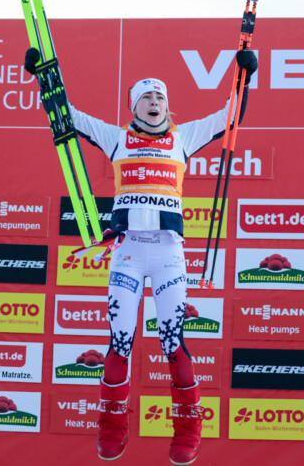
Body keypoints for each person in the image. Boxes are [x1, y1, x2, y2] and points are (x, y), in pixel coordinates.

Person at [25, 48, 257, 465]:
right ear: (134, 106)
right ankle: (112, 425)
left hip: (168, 254)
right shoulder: (117, 137)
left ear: (168, 106)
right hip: (128, 251)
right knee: (121, 340)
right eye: (147, 99)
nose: (155, 104)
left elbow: (229, 118)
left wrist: (245, 78)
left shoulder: (182, 138)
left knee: (173, 341)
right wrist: (44, 77)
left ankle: (187, 428)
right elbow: (68, 118)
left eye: (160, 99)